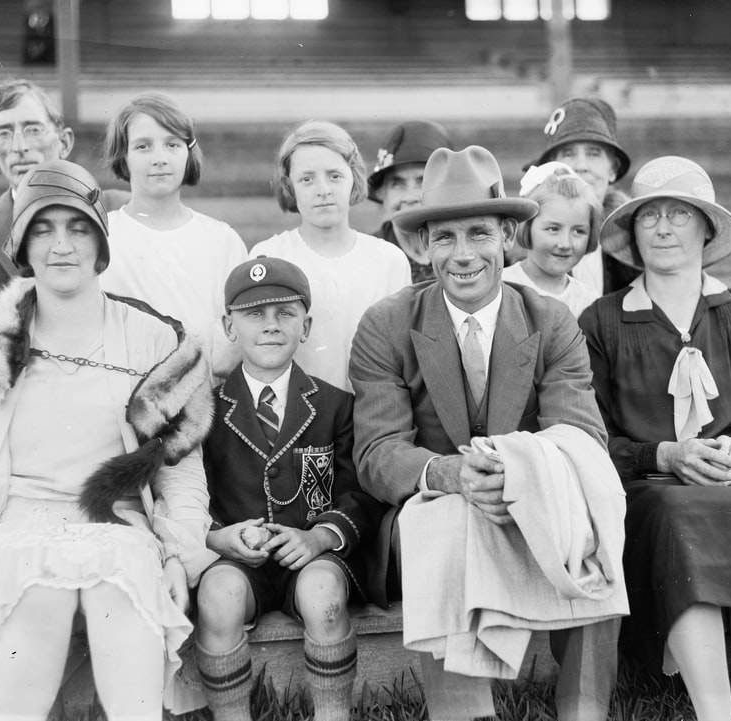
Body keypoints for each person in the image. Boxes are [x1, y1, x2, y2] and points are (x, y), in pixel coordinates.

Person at [0, 159, 217, 720]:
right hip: (16, 525)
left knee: (119, 590)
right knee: (39, 591)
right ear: (22, 244)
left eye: (78, 227)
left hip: (117, 522)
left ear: (101, 244)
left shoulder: (154, 339)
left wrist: (178, 553)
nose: (61, 245)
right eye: (43, 229)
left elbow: (180, 472)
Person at [349, 146, 627, 721]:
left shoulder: (551, 320)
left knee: (599, 507)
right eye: (445, 238)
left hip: (530, 494)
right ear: (424, 247)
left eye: (479, 233)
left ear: (508, 235)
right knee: (443, 518)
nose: (463, 255)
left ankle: (583, 711)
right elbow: (378, 452)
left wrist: (516, 471)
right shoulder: (386, 324)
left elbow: (580, 434)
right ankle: (467, 714)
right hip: (440, 506)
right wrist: (450, 473)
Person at [578, 156, 731, 721]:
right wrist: (662, 453)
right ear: (631, 233)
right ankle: (715, 712)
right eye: (648, 215)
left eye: (679, 214)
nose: (662, 227)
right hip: (649, 489)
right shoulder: (601, 322)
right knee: (676, 516)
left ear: (706, 227)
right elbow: (587, 435)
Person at [197, 257, 383, 721]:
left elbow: (360, 495)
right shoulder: (206, 411)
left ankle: (332, 714)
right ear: (229, 325)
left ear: (306, 326)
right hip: (237, 559)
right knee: (217, 595)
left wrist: (320, 537)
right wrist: (220, 536)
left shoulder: (337, 405)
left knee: (323, 592)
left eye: (285, 313)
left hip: (314, 556)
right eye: (254, 314)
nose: (271, 326)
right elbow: (189, 496)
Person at [0, 79, 127, 374]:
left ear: (64, 142)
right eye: (4, 134)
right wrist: (16, 343)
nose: (19, 147)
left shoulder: (116, 209)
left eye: (33, 129)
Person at [251, 120, 411, 392]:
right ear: (289, 186)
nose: (323, 190)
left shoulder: (388, 260)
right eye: (307, 179)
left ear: (353, 179)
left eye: (335, 176)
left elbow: (402, 356)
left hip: (371, 415)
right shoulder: (270, 256)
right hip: (298, 417)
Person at [99, 91, 248, 378]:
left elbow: (235, 337)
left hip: (205, 402)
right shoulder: (104, 237)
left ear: (188, 152)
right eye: (143, 146)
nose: (160, 158)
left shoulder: (221, 240)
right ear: (123, 156)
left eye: (172, 144)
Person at [519, 97, 637, 294]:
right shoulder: (523, 242)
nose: (581, 166)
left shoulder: (631, 241)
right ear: (552, 166)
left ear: (613, 169)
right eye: (568, 154)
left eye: (594, 153)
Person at [503, 161, 604, 316]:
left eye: (578, 231)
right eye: (553, 229)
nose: (565, 244)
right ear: (527, 226)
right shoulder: (501, 286)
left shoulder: (589, 302)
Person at [366, 120, 453, 283]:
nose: (410, 197)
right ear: (381, 194)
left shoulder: (474, 253)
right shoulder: (365, 259)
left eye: (423, 182)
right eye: (397, 184)